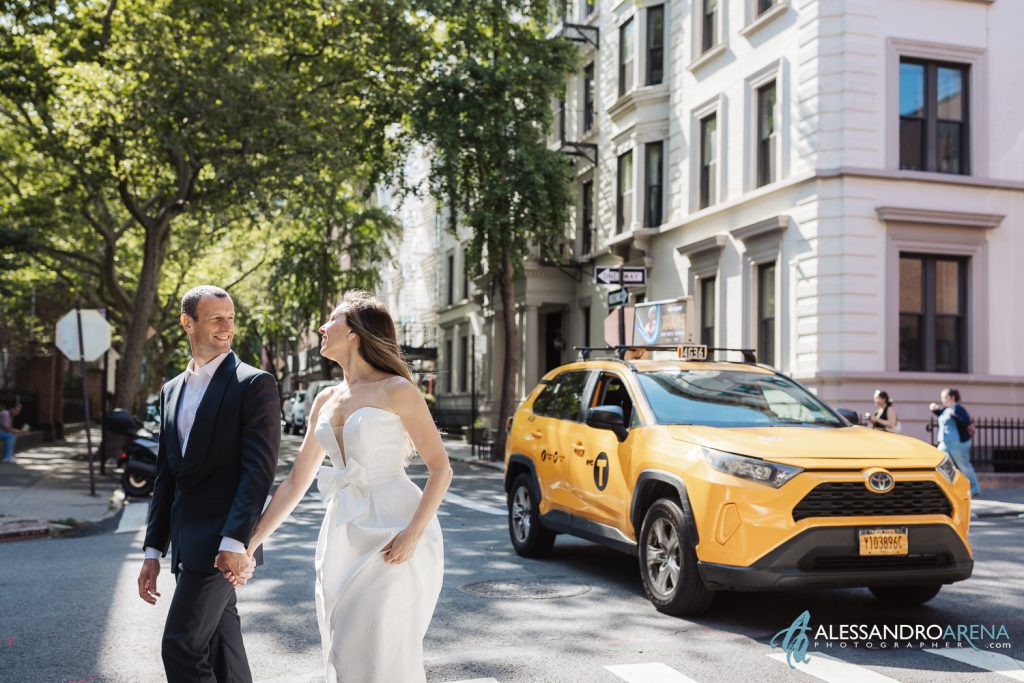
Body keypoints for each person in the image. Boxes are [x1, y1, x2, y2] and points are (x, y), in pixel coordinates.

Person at [234, 290, 451, 683]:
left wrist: (412, 534)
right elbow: (297, 481)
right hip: (341, 532)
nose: (322, 327)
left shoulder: (397, 389)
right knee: (344, 647)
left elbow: (441, 469)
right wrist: (250, 542)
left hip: (394, 528)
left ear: (354, 333)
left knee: (380, 647)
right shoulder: (325, 399)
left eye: (331, 320)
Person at [137, 285, 281, 683]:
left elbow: (258, 473)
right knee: (222, 648)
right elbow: (167, 477)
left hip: (223, 544)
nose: (226, 326)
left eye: (230, 318)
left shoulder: (253, 383)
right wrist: (153, 551)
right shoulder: (170, 391)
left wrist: (236, 543)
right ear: (188, 322)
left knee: (181, 645)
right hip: (186, 545)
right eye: (216, 318)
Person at [929, 387, 981, 498]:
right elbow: (942, 416)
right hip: (944, 442)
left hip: (957, 443)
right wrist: (934, 410)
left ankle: (974, 489)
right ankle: (948, 488)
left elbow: (965, 421)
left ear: (952, 397)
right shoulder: (946, 409)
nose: (943, 399)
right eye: (942, 397)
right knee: (941, 464)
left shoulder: (958, 408)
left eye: (945, 397)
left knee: (963, 466)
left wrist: (953, 415)